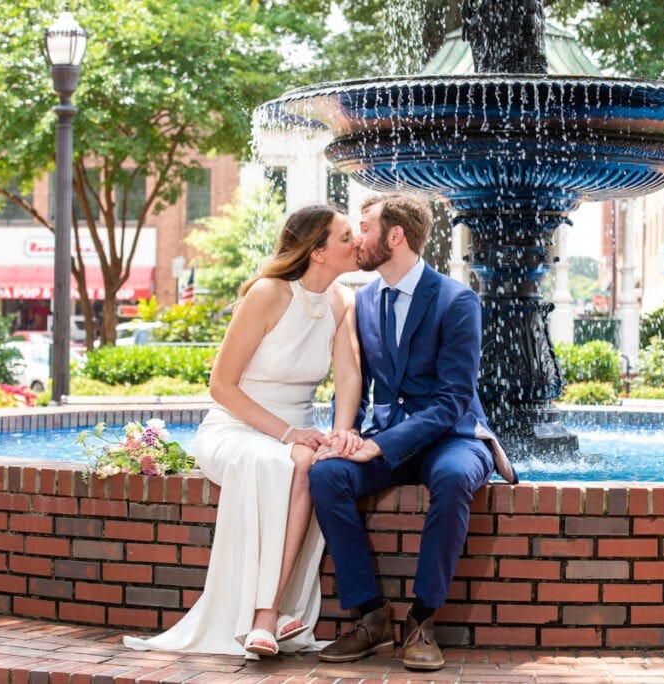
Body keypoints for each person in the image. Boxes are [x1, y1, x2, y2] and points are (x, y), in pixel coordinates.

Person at [123, 204, 363, 659]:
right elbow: (221, 386)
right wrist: (289, 432)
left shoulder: (342, 299)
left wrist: (342, 434)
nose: (358, 244)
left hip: (296, 433)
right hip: (237, 426)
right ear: (317, 251)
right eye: (347, 237)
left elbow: (349, 376)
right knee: (290, 461)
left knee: (312, 461)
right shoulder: (268, 293)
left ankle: (271, 613)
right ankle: (268, 616)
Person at [309, 193, 517, 672]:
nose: (357, 238)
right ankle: (371, 615)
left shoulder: (456, 301)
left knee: (453, 477)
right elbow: (357, 381)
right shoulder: (363, 301)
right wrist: (348, 435)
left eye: (365, 227)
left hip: (454, 437)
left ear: (394, 236)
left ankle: (421, 620)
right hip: (389, 437)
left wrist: (379, 445)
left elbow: (452, 401)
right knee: (326, 477)